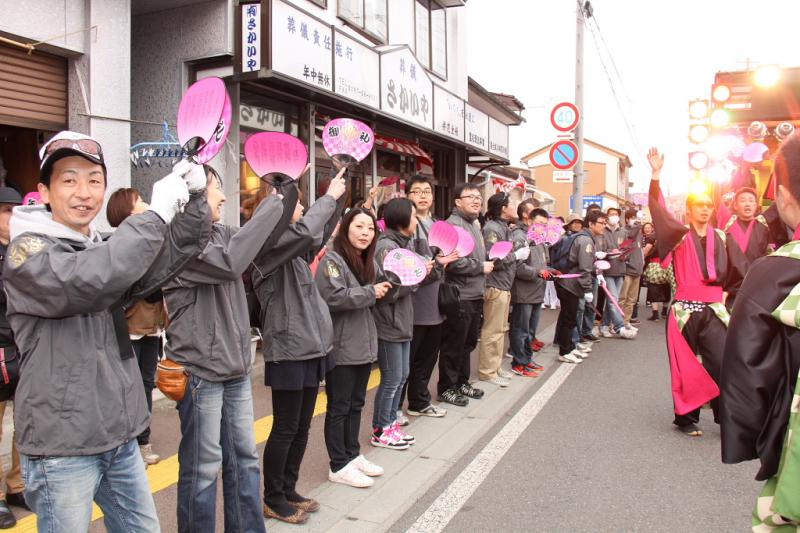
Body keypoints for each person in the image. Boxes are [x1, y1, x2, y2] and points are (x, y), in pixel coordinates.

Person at [5, 131, 210, 531]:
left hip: (117, 435)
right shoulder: (26, 252)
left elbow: (171, 250)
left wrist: (194, 197)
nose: (84, 192)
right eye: (69, 180)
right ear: (44, 191)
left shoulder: (101, 246)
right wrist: (153, 216)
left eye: (94, 180)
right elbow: (87, 280)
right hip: (60, 446)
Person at [164, 165, 292, 532]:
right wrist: (269, 205)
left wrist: (306, 198)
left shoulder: (223, 232)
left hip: (235, 367)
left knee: (245, 460)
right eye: (214, 189)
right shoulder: (176, 242)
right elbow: (231, 261)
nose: (222, 197)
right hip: (201, 371)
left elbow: (267, 241)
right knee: (203, 467)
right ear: (189, 199)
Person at [252, 171, 346, 525]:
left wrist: (337, 201)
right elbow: (308, 231)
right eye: (298, 201)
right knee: (286, 426)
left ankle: (288, 489)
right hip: (290, 348)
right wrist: (329, 197)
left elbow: (316, 232)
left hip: (310, 345)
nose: (304, 206)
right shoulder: (267, 244)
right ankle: (273, 497)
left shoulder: (292, 246)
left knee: (302, 424)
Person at [720, 132, 800, 529]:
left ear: (781, 198)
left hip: (754, 296)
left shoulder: (778, 269)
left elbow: (748, 365)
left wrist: (756, 441)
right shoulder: (724, 231)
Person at [648, 147, 732, 437]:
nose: (705, 209)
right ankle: (686, 419)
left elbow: (738, 271)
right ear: (689, 209)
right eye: (699, 205)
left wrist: (728, 295)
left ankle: (728, 418)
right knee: (685, 366)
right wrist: (656, 175)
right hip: (684, 309)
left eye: (709, 205)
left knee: (723, 363)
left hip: (715, 308)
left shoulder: (721, 236)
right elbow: (659, 212)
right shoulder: (678, 237)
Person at [315, 207, 390, 487]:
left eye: (370, 229)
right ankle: (338, 464)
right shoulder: (333, 260)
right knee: (339, 406)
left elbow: (380, 288)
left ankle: (352, 454)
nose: (365, 233)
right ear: (346, 228)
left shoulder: (364, 260)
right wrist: (370, 292)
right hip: (342, 346)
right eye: (359, 227)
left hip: (362, 343)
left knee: (356, 403)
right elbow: (333, 296)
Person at [107, 187, 167, 467]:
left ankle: (142, 442)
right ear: (127, 212)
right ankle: (128, 445)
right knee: (127, 387)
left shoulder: (150, 239)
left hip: (152, 325)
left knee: (145, 385)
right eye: (139, 201)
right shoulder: (120, 243)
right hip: (129, 325)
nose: (145, 204)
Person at [371, 198, 431, 449]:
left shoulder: (401, 244)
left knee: (402, 374)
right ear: (401, 219)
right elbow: (390, 288)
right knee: (392, 377)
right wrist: (417, 277)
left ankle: (390, 424)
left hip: (402, 319)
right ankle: (380, 429)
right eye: (414, 216)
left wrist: (425, 271)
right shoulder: (386, 246)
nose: (416, 221)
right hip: (390, 321)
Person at [403, 176, 458, 419]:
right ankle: (394, 409)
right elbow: (411, 269)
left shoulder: (439, 225)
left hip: (437, 300)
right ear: (408, 196)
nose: (423, 195)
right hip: (415, 301)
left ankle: (419, 401)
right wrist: (438, 264)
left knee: (428, 357)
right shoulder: (406, 227)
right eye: (417, 191)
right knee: (408, 358)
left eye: (427, 191)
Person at [437, 184, 493, 406]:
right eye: (470, 197)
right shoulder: (451, 226)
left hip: (475, 294)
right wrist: (480, 267)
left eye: (479, 197)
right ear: (457, 201)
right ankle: (446, 388)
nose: (477, 201)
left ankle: (461, 382)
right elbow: (452, 262)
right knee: (454, 344)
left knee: (468, 343)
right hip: (459, 295)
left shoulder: (474, 225)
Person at [478, 192, 523, 388]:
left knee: (500, 329)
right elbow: (496, 258)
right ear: (503, 208)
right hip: (495, 285)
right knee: (492, 331)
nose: (514, 206)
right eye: (511, 203)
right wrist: (516, 255)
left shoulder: (503, 227)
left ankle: (495, 367)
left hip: (504, 285)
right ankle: (487, 371)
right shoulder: (492, 229)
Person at [0, 187, 26, 528]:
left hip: (23, 349)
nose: (11, 217)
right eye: (5, 210)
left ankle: (17, 487)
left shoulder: (24, 252)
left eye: (15, 210)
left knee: (26, 425)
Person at [553, 211, 606, 363]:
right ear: (591, 224)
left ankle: (569, 347)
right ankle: (564, 351)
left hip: (568, 282)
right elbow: (584, 268)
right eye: (601, 223)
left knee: (568, 317)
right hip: (571, 284)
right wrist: (588, 289)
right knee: (569, 318)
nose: (603, 226)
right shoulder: (585, 240)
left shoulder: (582, 237)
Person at [509, 202, 549, 376]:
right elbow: (517, 266)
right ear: (529, 219)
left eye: (545, 225)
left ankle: (527, 358)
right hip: (524, 292)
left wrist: (550, 271)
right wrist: (537, 272)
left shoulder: (538, 239)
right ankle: (519, 362)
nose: (542, 227)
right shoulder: (519, 236)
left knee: (529, 331)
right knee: (520, 329)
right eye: (539, 223)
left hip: (536, 291)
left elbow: (542, 262)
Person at [721, 187, 771, 309]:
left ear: (756, 205)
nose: (747, 204)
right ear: (736, 205)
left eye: (751, 200)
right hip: (732, 292)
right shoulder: (726, 231)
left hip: (758, 289)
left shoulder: (765, 229)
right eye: (743, 200)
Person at [599, 207, 633, 338]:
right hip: (607, 270)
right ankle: (620, 326)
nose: (614, 216)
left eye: (616, 214)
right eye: (611, 214)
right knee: (613, 300)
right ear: (607, 217)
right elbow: (600, 250)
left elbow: (627, 248)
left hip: (620, 269)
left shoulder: (623, 232)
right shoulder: (602, 231)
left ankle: (604, 325)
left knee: (613, 300)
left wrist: (624, 254)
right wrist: (609, 252)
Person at [619, 208, 645, 328]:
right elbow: (630, 237)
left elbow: (640, 249)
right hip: (627, 269)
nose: (635, 220)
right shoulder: (624, 231)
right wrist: (637, 226)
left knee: (632, 299)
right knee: (622, 298)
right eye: (633, 218)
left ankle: (626, 321)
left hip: (638, 269)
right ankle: (617, 322)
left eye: (636, 218)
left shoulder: (639, 232)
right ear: (627, 219)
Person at [642, 222, 671, 320]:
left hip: (655, 264)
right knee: (667, 287)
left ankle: (655, 314)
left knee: (653, 287)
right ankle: (664, 311)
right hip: (667, 264)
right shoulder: (670, 235)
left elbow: (645, 251)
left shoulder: (653, 236)